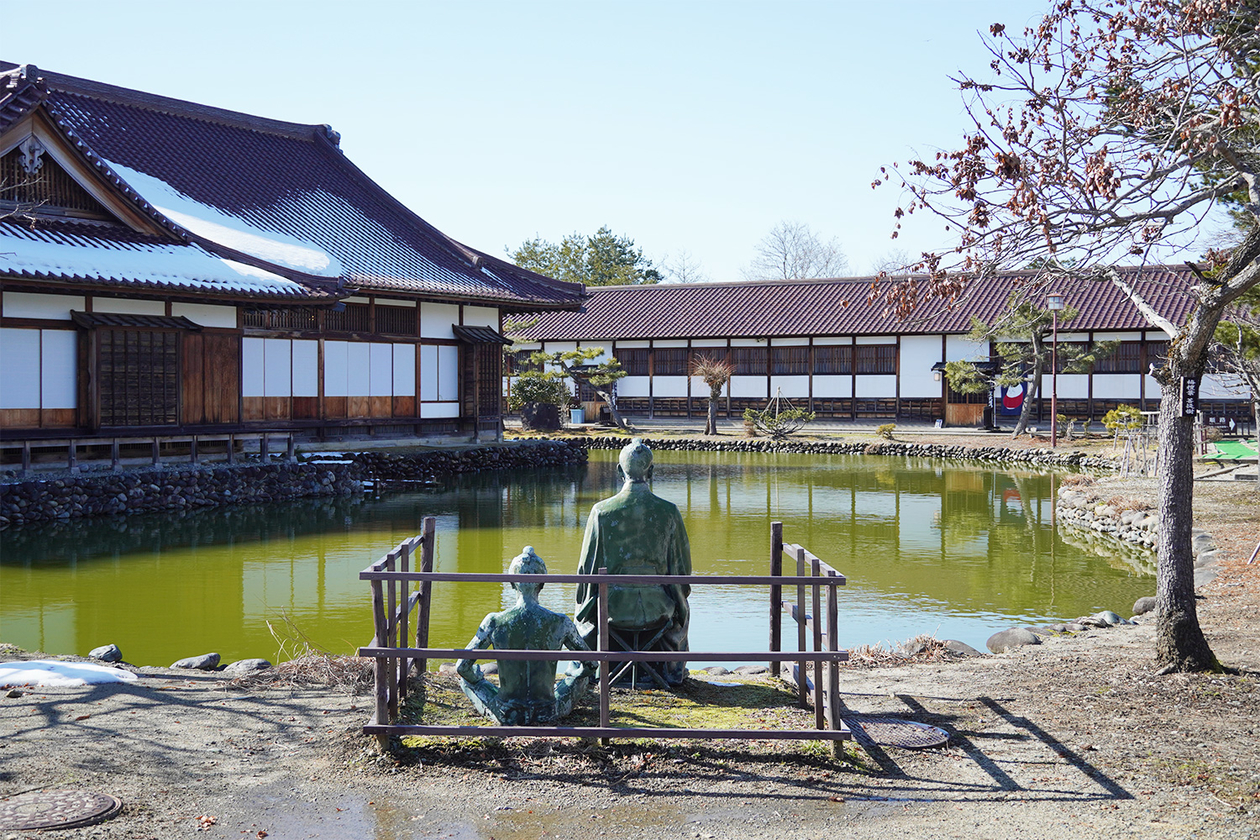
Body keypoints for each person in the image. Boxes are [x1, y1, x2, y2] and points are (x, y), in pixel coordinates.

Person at [574, 438, 691, 686]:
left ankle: (594, 669)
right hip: (658, 609)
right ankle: (668, 670)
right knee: (682, 604)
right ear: (651, 471)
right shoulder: (669, 511)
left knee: (582, 608)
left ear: (618, 471)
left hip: (614, 609)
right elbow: (682, 571)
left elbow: (586, 571)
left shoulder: (602, 512)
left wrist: (586, 598)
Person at [457, 547, 596, 725]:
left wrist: (478, 678)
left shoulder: (494, 621)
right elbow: (591, 665)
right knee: (580, 677)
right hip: (548, 710)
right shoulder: (561, 622)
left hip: (507, 712)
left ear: (512, 583)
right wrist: (574, 675)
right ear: (541, 584)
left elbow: (462, 666)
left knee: (467, 681)